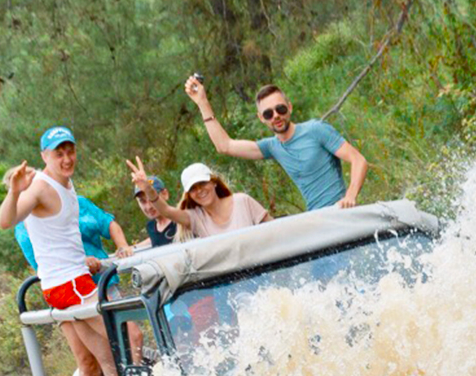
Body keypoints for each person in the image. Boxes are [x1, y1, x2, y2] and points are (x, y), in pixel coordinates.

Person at [0, 126, 119, 376]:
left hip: (73, 280)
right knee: (128, 339)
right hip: (66, 284)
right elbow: (6, 221)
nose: (66, 159)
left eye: (70, 151)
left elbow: (67, 238)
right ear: (44, 156)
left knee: (98, 360)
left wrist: (84, 259)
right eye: (58, 154)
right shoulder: (39, 190)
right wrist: (15, 191)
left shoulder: (67, 186)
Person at [185, 77, 368, 211]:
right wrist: (202, 102)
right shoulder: (272, 147)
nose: (276, 116)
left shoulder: (315, 130)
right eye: (268, 114)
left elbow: (358, 160)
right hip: (317, 218)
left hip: (342, 212)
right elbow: (224, 146)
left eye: (280, 109)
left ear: (289, 107)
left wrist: (350, 196)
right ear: (261, 118)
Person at [125, 158, 271, 243]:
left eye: (203, 184)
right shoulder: (195, 217)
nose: (200, 191)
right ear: (189, 194)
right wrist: (147, 189)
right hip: (228, 285)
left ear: (214, 182)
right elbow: (166, 211)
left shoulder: (242, 202)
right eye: (193, 188)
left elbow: (275, 229)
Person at [133, 175, 177, 248]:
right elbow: (159, 237)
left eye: (152, 198)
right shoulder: (151, 226)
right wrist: (133, 248)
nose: (149, 206)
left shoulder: (181, 221)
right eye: (143, 201)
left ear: (165, 194)